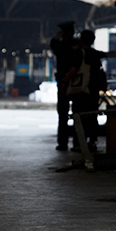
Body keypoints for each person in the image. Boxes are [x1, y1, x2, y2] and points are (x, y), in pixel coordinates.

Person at [63, 29, 116, 151]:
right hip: (93, 91)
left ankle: (79, 143)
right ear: (93, 41)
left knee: (79, 117)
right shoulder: (94, 54)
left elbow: (73, 70)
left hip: (81, 91)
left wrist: (65, 81)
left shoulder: (79, 53)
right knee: (92, 116)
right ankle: (92, 142)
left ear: (81, 39)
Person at [50, 21, 78, 151]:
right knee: (77, 113)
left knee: (63, 114)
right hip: (77, 82)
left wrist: (57, 37)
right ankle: (77, 143)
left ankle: (63, 143)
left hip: (63, 82)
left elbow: (53, 44)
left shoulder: (59, 45)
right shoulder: (77, 45)